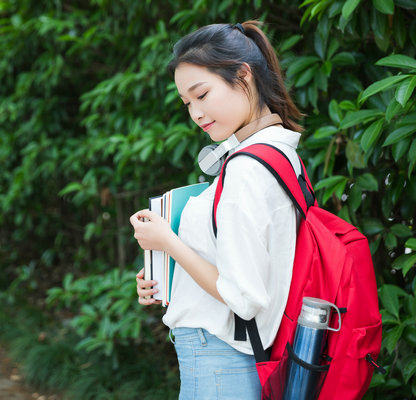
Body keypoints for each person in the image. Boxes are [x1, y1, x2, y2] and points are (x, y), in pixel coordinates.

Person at [129, 21, 304, 399]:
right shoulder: (277, 154)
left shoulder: (246, 169)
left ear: (244, 75)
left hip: (221, 362)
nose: (195, 112)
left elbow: (243, 295)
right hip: (229, 359)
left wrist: (169, 242)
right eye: (187, 103)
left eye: (202, 94)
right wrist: (167, 273)